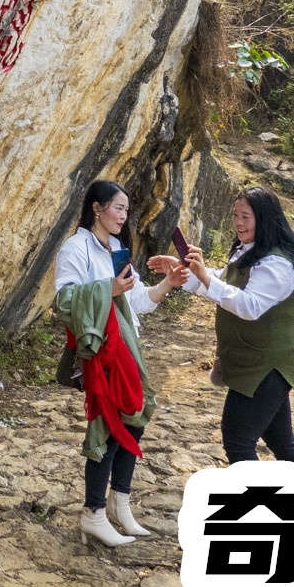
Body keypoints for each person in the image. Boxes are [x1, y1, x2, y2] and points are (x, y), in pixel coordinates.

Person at [54, 180, 189, 547]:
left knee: (134, 419)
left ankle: (120, 502)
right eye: (117, 208)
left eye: (126, 210)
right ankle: (94, 513)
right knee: (109, 429)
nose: (123, 216)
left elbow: (136, 300)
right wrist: (106, 291)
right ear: (96, 209)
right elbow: (64, 301)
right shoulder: (76, 248)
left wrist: (167, 284)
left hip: (127, 347)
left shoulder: (116, 248)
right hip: (101, 352)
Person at [173, 186, 294, 467]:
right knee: (281, 441)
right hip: (250, 360)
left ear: (264, 218)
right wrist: (185, 273)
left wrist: (206, 278)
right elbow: (224, 283)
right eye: (235, 215)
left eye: (246, 216)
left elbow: (249, 306)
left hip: (267, 366)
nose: (238, 222)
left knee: (238, 442)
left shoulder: (276, 263)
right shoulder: (247, 250)